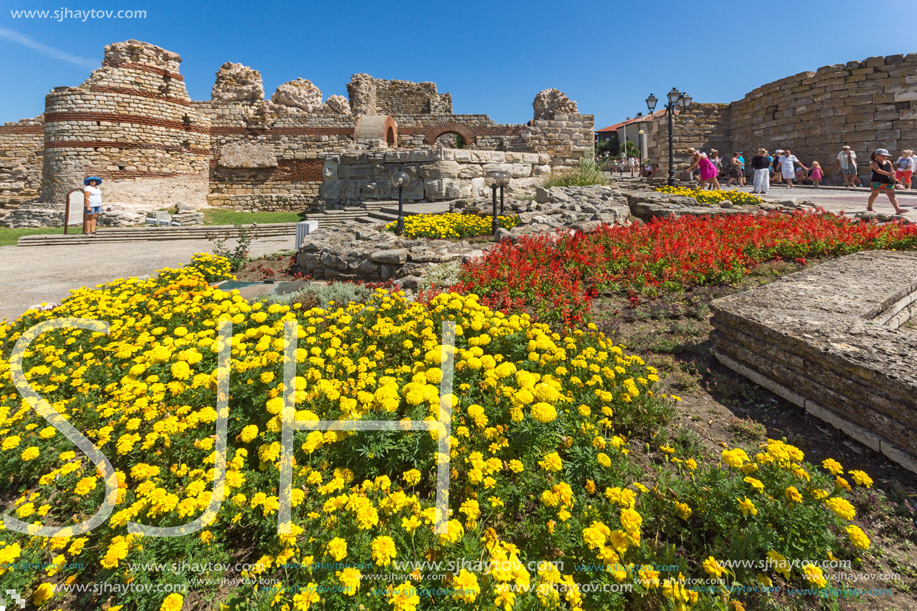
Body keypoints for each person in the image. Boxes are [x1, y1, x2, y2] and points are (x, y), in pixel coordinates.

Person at [867, 148, 904, 214]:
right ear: (876, 155)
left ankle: (898, 209)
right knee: (874, 194)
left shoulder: (889, 162)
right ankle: (869, 207)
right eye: (882, 156)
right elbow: (878, 170)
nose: (884, 157)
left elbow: (892, 171)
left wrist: (895, 180)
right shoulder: (874, 163)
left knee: (892, 195)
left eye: (886, 156)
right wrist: (888, 174)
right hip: (877, 181)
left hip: (888, 181)